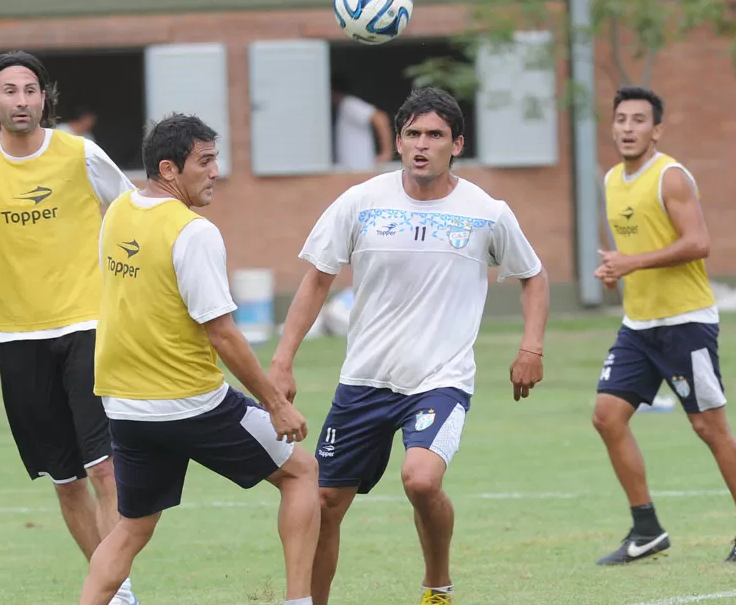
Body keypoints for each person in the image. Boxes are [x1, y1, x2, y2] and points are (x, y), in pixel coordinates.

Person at [270, 87, 550, 605]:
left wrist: (530, 347)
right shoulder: (361, 202)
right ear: (398, 142)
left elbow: (533, 276)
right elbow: (316, 281)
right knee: (327, 502)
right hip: (364, 379)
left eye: (436, 135)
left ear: (456, 144)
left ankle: (437, 586)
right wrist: (282, 361)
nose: (423, 144)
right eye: (414, 134)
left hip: (438, 380)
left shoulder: (486, 212)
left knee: (421, 480)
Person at [79, 114, 320, 605]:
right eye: (205, 161)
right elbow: (223, 334)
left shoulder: (119, 211)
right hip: (191, 406)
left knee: (131, 529)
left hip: (125, 408)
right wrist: (275, 403)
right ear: (169, 169)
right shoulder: (194, 232)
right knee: (301, 474)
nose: (216, 171)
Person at [0, 50, 138, 604]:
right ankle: (111, 590)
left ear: (45, 97)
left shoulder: (81, 154)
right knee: (65, 480)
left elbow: (132, 214)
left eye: (31, 90)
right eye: (10, 92)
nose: (22, 101)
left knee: (105, 468)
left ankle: (119, 590)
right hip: (13, 336)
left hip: (88, 323)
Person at [592, 85, 736, 565]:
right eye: (622, 120)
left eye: (639, 121)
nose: (628, 128)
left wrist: (631, 263)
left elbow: (698, 243)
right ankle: (646, 529)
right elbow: (636, 251)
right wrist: (616, 271)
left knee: (709, 427)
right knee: (607, 417)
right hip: (639, 326)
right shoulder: (611, 179)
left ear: (657, 130)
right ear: (612, 127)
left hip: (686, 324)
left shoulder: (670, 177)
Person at [331, 73, 394, 170]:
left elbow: (380, 118)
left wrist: (386, 153)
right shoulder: (343, 107)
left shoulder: (350, 104)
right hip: (351, 170)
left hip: (360, 169)